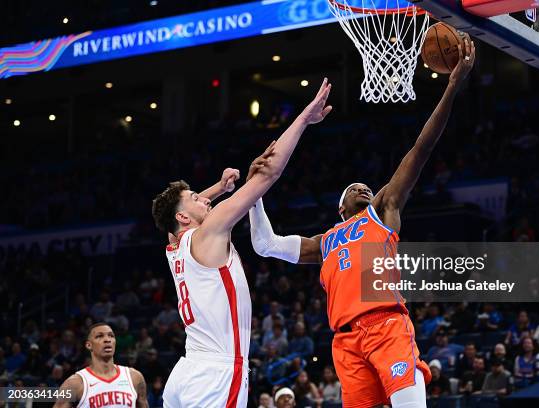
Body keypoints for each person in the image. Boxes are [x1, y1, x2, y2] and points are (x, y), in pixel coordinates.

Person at [249, 42, 476, 407]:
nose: (363, 186)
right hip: (346, 343)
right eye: (353, 187)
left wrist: (452, 86)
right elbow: (265, 244)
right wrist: (254, 194)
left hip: (386, 325)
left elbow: (421, 149)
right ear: (341, 208)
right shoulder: (324, 241)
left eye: (365, 186)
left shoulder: (382, 210)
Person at [152, 79, 333, 408]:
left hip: (186, 371)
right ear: (183, 217)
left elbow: (175, 218)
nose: (203, 199)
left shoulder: (174, 245)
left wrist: (219, 189)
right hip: (216, 373)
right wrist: (303, 119)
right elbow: (269, 175)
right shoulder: (208, 233)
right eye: (196, 198)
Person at [53, 323, 148, 407]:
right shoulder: (75, 383)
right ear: (89, 345)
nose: (107, 340)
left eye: (111, 336)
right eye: (99, 336)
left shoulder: (134, 377)